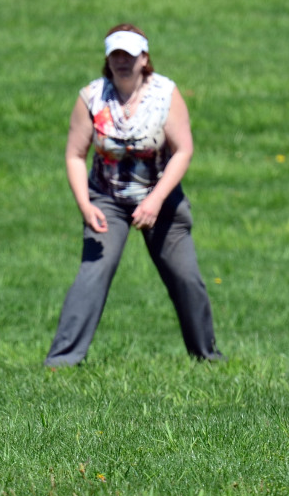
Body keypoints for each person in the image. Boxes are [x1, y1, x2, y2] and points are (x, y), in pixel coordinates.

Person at [44, 24, 224, 366]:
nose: (122, 61)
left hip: (161, 196)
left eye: (130, 54)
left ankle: (207, 356)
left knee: (186, 277)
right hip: (107, 199)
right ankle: (62, 361)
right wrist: (85, 205)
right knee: (93, 273)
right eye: (116, 55)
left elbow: (183, 150)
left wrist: (155, 200)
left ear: (145, 58)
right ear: (108, 60)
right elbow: (74, 155)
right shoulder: (92, 97)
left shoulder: (165, 94)